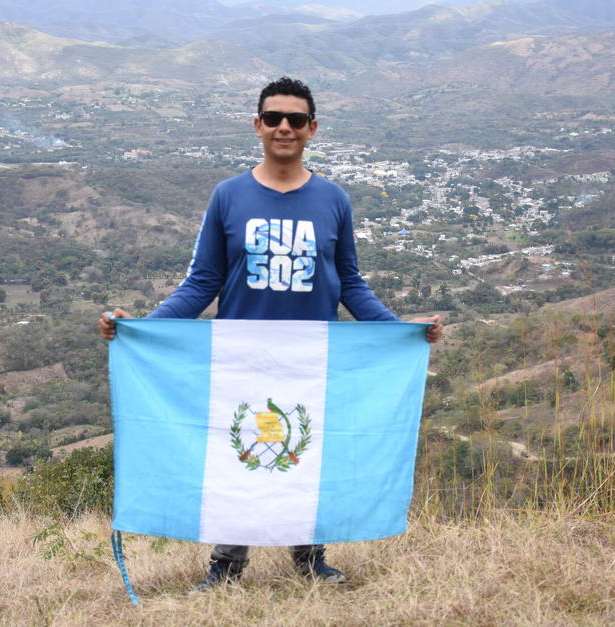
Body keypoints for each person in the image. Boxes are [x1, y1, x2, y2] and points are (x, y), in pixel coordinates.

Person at [100, 76, 442, 590]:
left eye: (296, 119)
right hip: (241, 356)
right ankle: (226, 565)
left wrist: (399, 332)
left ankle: (310, 558)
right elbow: (204, 281)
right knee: (238, 455)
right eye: (274, 118)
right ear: (257, 126)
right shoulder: (229, 196)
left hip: (311, 359)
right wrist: (140, 330)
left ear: (312, 129)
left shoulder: (333, 199)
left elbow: (350, 282)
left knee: (305, 452)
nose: (285, 127)